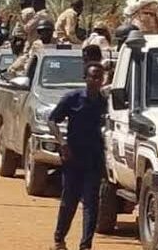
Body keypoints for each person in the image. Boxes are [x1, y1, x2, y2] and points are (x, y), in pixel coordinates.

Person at [48, 62, 107, 250]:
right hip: (73, 157)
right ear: (85, 78)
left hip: (94, 159)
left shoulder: (105, 103)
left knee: (91, 203)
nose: (97, 80)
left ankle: (86, 245)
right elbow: (52, 120)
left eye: (100, 77)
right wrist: (62, 143)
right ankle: (59, 239)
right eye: (93, 77)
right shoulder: (72, 99)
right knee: (69, 201)